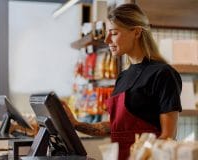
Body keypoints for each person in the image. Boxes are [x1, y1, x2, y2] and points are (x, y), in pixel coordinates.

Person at [63, 3, 182, 160]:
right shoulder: (123, 76)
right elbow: (114, 127)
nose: (106, 40)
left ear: (137, 32)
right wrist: (76, 124)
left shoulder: (163, 74)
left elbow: (167, 137)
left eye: (113, 33)